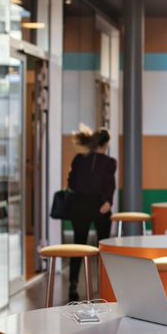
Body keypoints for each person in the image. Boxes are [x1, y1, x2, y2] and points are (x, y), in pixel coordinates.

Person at [67, 125, 116, 301]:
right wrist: (107, 201)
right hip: (100, 207)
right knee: (102, 248)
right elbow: (110, 185)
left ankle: (73, 286)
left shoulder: (79, 159)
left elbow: (71, 183)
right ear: (106, 144)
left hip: (79, 206)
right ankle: (102, 285)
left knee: (78, 247)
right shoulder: (109, 162)